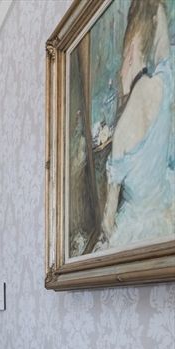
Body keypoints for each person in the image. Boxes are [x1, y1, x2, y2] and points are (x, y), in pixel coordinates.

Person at [99, 0, 174, 250]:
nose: (120, 73)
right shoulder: (164, 83)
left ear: (129, 54)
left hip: (139, 231)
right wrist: (156, 12)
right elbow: (163, 53)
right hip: (167, 210)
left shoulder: (121, 134)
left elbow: (108, 222)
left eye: (122, 61)